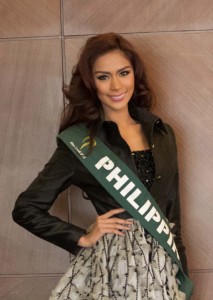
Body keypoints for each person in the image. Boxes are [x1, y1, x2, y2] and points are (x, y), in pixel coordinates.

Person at [12, 33, 189, 299]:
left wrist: (182, 277)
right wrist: (81, 237)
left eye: (123, 73)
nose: (116, 85)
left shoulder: (162, 133)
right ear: (90, 83)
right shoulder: (81, 143)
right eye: (103, 76)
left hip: (161, 267)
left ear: (134, 76)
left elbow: (172, 215)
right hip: (114, 270)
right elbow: (26, 209)